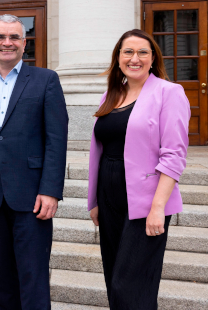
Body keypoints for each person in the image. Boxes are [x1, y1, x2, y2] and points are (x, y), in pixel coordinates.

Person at [0, 14, 68, 309]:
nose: (7, 43)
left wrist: (51, 190)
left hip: (32, 196)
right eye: (1, 37)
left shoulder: (46, 80)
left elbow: (56, 141)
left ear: (24, 42)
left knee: (33, 278)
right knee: (2, 278)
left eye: (14, 37)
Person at [87, 29, 190, 309]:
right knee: (113, 279)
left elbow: (174, 154)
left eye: (142, 52)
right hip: (109, 195)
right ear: (118, 57)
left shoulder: (169, 93)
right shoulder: (111, 94)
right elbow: (101, 148)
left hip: (146, 199)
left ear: (153, 57)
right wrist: (94, 201)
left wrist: (158, 207)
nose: (135, 58)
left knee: (129, 285)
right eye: (128, 52)